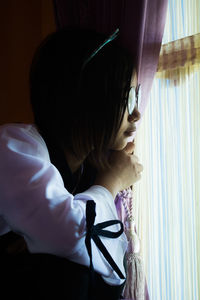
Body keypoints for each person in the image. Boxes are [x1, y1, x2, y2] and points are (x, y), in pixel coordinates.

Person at [0, 27, 143, 299]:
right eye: (128, 97)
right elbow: (76, 235)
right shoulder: (13, 148)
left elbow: (110, 272)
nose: (136, 113)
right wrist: (111, 182)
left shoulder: (87, 167)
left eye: (137, 95)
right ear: (87, 100)